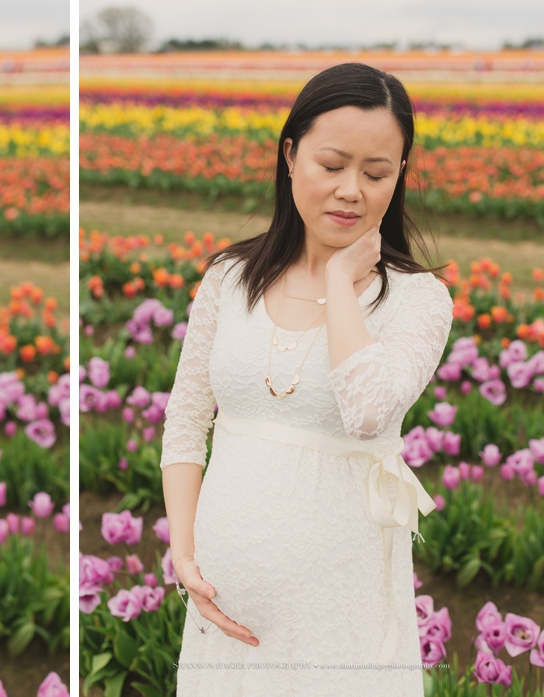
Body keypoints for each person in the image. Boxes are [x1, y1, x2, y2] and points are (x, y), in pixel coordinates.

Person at [160, 62, 453, 696]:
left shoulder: (417, 300)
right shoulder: (229, 280)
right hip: (224, 619)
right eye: (332, 165)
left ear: (399, 176)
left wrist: (342, 282)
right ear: (290, 156)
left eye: (376, 174)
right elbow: (185, 420)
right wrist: (185, 555)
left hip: (340, 617)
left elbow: (367, 410)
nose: (352, 190)